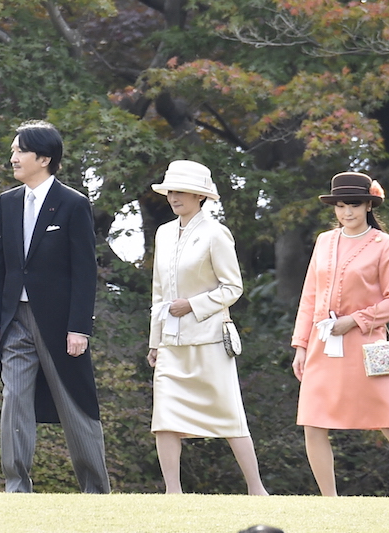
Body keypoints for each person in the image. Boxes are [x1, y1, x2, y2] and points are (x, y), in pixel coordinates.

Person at [0, 120, 110, 493]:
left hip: (60, 324)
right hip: (15, 322)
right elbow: (0, 268)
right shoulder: (7, 203)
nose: (13, 158)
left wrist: (79, 327)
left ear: (44, 157)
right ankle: (16, 487)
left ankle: (96, 490)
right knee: (14, 400)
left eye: (19, 150)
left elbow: (85, 272)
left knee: (75, 403)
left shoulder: (73, 204)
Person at [291, 171, 389, 498]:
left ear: (369, 205)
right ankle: (330, 502)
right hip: (321, 344)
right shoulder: (324, 241)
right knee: (313, 423)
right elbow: (309, 296)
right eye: (339, 206)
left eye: (353, 205)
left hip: (367, 345)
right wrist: (300, 344)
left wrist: (354, 320)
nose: (346, 212)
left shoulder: (386, 245)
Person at [147, 160, 268, 496]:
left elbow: (233, 287)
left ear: (200, 195)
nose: (174, 196)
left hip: (210, 340)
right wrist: (155, 341)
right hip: (171, 341)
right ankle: (173, 492)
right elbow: (159, 293)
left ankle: (257, 490)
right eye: (170, 190)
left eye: (181, 190)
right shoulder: (164, 232)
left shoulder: (216, 233)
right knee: (165, 417)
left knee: (230, 415)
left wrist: (193, 304)